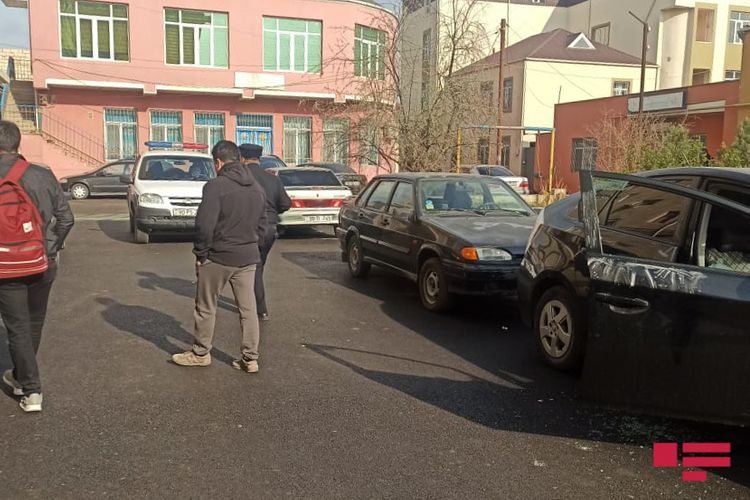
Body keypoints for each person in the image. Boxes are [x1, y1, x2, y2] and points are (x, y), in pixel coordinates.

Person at [172, 140, 267, 373]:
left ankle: (200, 353)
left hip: (218, 257)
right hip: (248, 257)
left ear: (218, 162)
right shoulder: (256, 187)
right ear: (239, 159)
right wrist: (252, 246)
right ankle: (250, 359)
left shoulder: (216, 186)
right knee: (248, 310)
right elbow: (263, 225)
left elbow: (204, 225)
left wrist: (201, 253)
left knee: (206, 306)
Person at [0, 120, 74, 412]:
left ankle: (31, 390)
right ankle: (22, 378)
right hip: (42, 261)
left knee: (17, 326)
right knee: (33, 322)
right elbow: (67, 219)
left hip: (6, 264)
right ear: (18, 144)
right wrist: (49, 248)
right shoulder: (42, 175)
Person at [238, 144, 291, 321]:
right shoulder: (272, 179)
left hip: (247, 227)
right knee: (258, 265)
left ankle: (252, 307)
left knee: (245, 267)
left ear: (242, 158)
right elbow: (285, 203)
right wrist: (272, 212)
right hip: (269, 228)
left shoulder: (240, 177)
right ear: (259, 159)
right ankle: (260, 309)